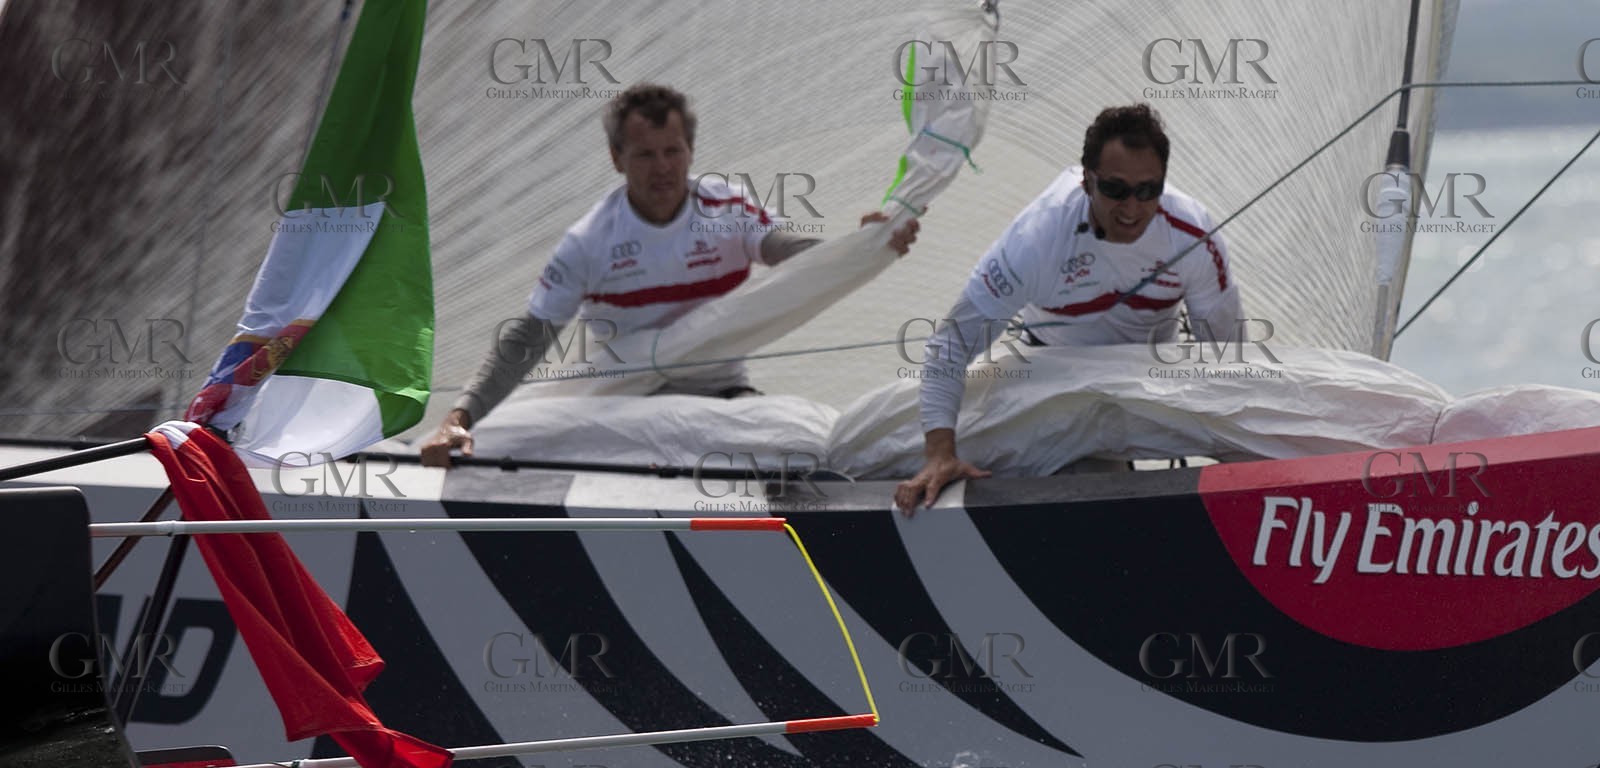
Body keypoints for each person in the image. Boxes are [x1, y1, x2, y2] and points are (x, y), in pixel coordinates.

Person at [422, 83, 919, 467]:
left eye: (673, 151)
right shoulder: (588, 242)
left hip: (720, 393)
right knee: (491, 442)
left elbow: (795, 256)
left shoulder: (727, 207)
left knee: (811, 446)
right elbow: (528, 339)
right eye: (645, 154)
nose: (662, 169)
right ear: (617, 158)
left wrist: (863, 247)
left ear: (690, 152)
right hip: (619, 397)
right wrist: (457, 418)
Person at [893, 104, 1241, 515]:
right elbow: (951, 344)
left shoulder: (1194, 236)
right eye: (1114, 189)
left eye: (1148, 191)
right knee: (1093, 488)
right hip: (1055, 376)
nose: (1131, 209)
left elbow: (1227, 358)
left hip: (1150, 378)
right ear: (1086, 179)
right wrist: (939, 453)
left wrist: (1240, 463)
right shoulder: (1037, 239)